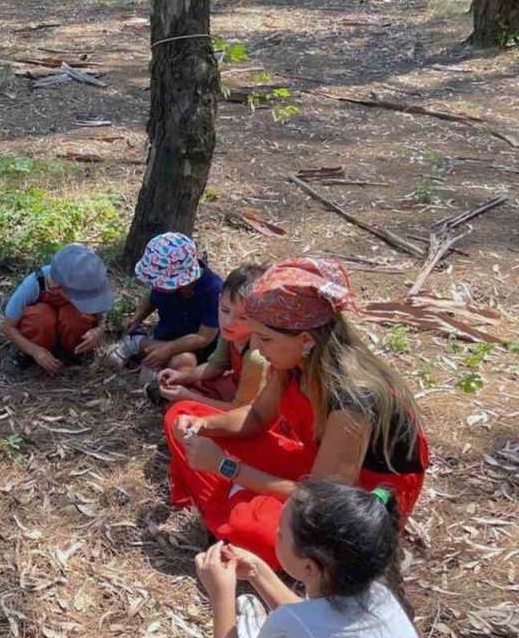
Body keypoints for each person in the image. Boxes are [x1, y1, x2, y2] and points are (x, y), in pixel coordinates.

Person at [164, 258, 429, 568]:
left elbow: (322, 499)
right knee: (179, 414)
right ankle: (238, 505)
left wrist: (225, 466)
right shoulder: (290, 362)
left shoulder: (352, 399)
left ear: (305, 340)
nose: (258, 349)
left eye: (265, 339)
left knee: (260, 534)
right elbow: (258, 419)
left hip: (355, 495)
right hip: (314, 466)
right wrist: (204, 425)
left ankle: (237, 509)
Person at [193, 482, 417, 638]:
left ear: (309, 566)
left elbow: (300, 624)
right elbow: (311, 623)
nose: (275, 532)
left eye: (280, 534)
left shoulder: (290, 623)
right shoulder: (380, 596)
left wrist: (221, 596)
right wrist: (257, 572)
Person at [158, 264, 269, 410]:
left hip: (251, 409)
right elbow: (216, 366)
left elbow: (241, 410)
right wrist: (183, 377)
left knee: (184, 412)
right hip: (234, 387)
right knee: (184, 390)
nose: (228, 322)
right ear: (219, 300)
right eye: (225, 310)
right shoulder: (231, 332)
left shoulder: (256, 356)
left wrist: (188, 397)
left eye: (243, 318)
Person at [114, 233, 222, 381]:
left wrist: (169, 348)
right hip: (166, 337)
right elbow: (151, 298)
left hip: (198, 349)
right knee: (178, 358)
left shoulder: (214, 291)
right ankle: (137, 343)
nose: (156, 286)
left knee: (186, 361)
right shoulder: (163, 288)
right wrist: (137, 318)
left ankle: (154, 361)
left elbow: (203, 337)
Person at [1, 243, 115, 374]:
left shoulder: (87, 279)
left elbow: (101, 316)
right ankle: (30, 354)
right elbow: (7, 327)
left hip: (69, 334)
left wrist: (99, 330)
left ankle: (72, 353)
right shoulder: (33, 285)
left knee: (76, 317)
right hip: (40, 334)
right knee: (40, 318)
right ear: (57, 287)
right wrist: (34, 350)